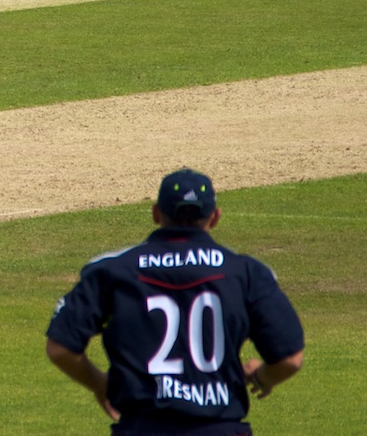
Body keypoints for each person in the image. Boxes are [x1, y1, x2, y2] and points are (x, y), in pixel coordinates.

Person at [46, 169, 306, 436]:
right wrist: (262, 377)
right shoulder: (246, 272)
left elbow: (60, 348)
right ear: (215, 217)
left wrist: (99, 384)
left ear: (156, 213)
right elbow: (290, 358)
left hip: (141, 428)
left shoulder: (112, 269)